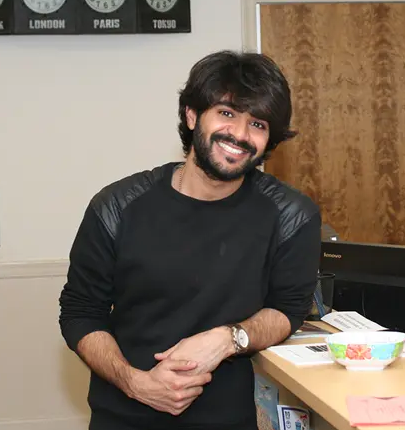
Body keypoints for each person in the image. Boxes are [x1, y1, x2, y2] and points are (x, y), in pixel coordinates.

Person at [58, 50, 322, 430]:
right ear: (192, 115)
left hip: (234, 419)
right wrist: (137, 384)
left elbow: (289, 309)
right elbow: (81, 312)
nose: (240, 135)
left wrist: (229, 339)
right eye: (227, 114)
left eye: (258, 124)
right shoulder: (117, 206)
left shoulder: (292, 215)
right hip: (125, 415)